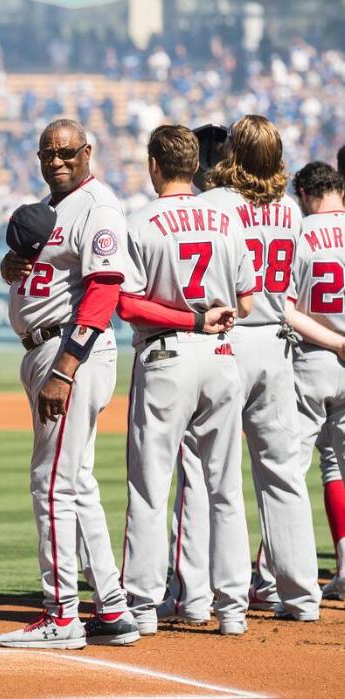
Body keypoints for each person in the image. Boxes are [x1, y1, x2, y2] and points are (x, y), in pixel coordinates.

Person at [159, 115, 322, 623]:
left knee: (206, 474)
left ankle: (199, 595)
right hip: (277, 346)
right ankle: (300, 597)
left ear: (233, 152)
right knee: (284, 475)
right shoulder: (292, 212)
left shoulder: (211, 205)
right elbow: (293, 290)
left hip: (224, 341)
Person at [0, 118, 140, 649]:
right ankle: (112, 609)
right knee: (76, 483)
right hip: (48, 348)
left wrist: (65, 369)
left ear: (87, 152)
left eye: (66, 153)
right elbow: (39, 272)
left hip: (68, 353)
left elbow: (104, 291)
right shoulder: (52, 207)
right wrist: (12, 266)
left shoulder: (99, 206)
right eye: (47, 154)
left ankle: (60, 616)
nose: (56, 161)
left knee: (50, 484)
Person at [118, 124, 256, 637]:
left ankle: (143, 605)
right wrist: (207, 317)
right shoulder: (226, 220)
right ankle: (232, 609)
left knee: (152, 487)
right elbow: (246, 301)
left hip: (165, 357)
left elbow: (128, 304)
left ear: (155, 164)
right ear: (195, 166)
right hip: (221, 355)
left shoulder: (141, 222)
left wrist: (188, 318)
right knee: (225, 487)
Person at [288, 161, 345, 600]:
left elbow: (284, 308)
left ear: (305, 192)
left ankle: (286, 579)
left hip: (313, 356)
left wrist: (335, 342)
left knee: (289, 471)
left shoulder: (300, 231)